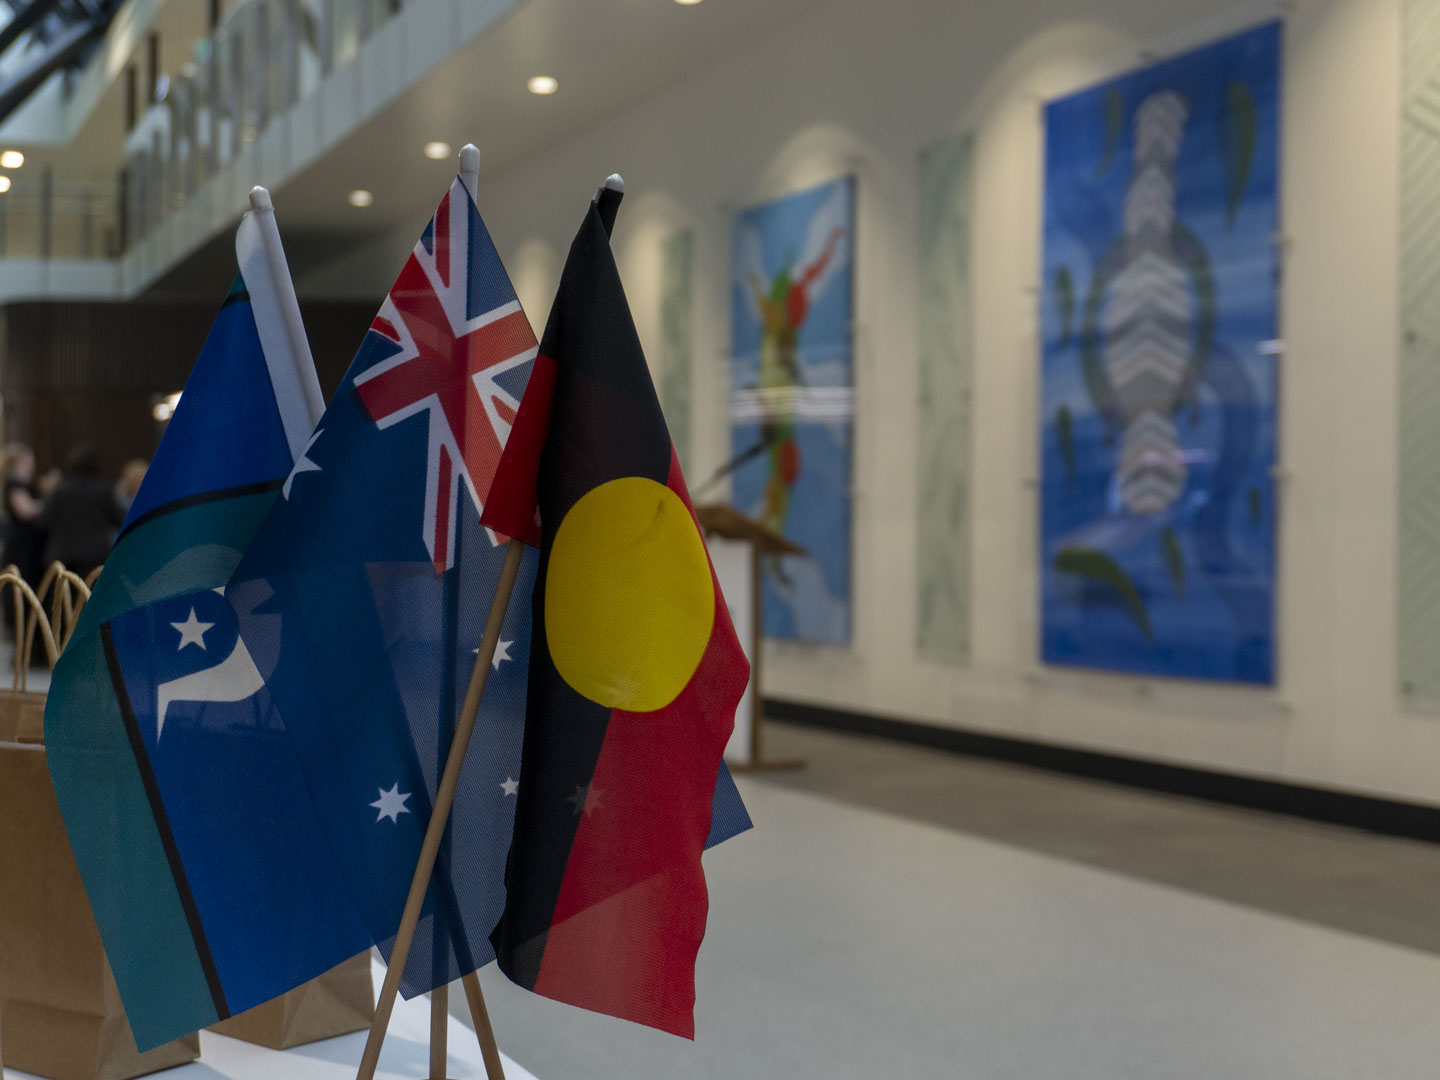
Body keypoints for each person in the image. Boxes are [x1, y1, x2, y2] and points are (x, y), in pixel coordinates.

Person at [39, 445, 122, 581]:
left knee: (65, 599)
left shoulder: (61, 489)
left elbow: (45, 520)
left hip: (64, 554)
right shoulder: (102, 489)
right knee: (90, 597)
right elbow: (117, 518)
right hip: (95, 555)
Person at [2, 444, 45, 588]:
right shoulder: (15, 482)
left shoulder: (25, 483)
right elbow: (25, 511)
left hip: (30, 544)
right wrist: (49, 504)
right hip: (22, 546)